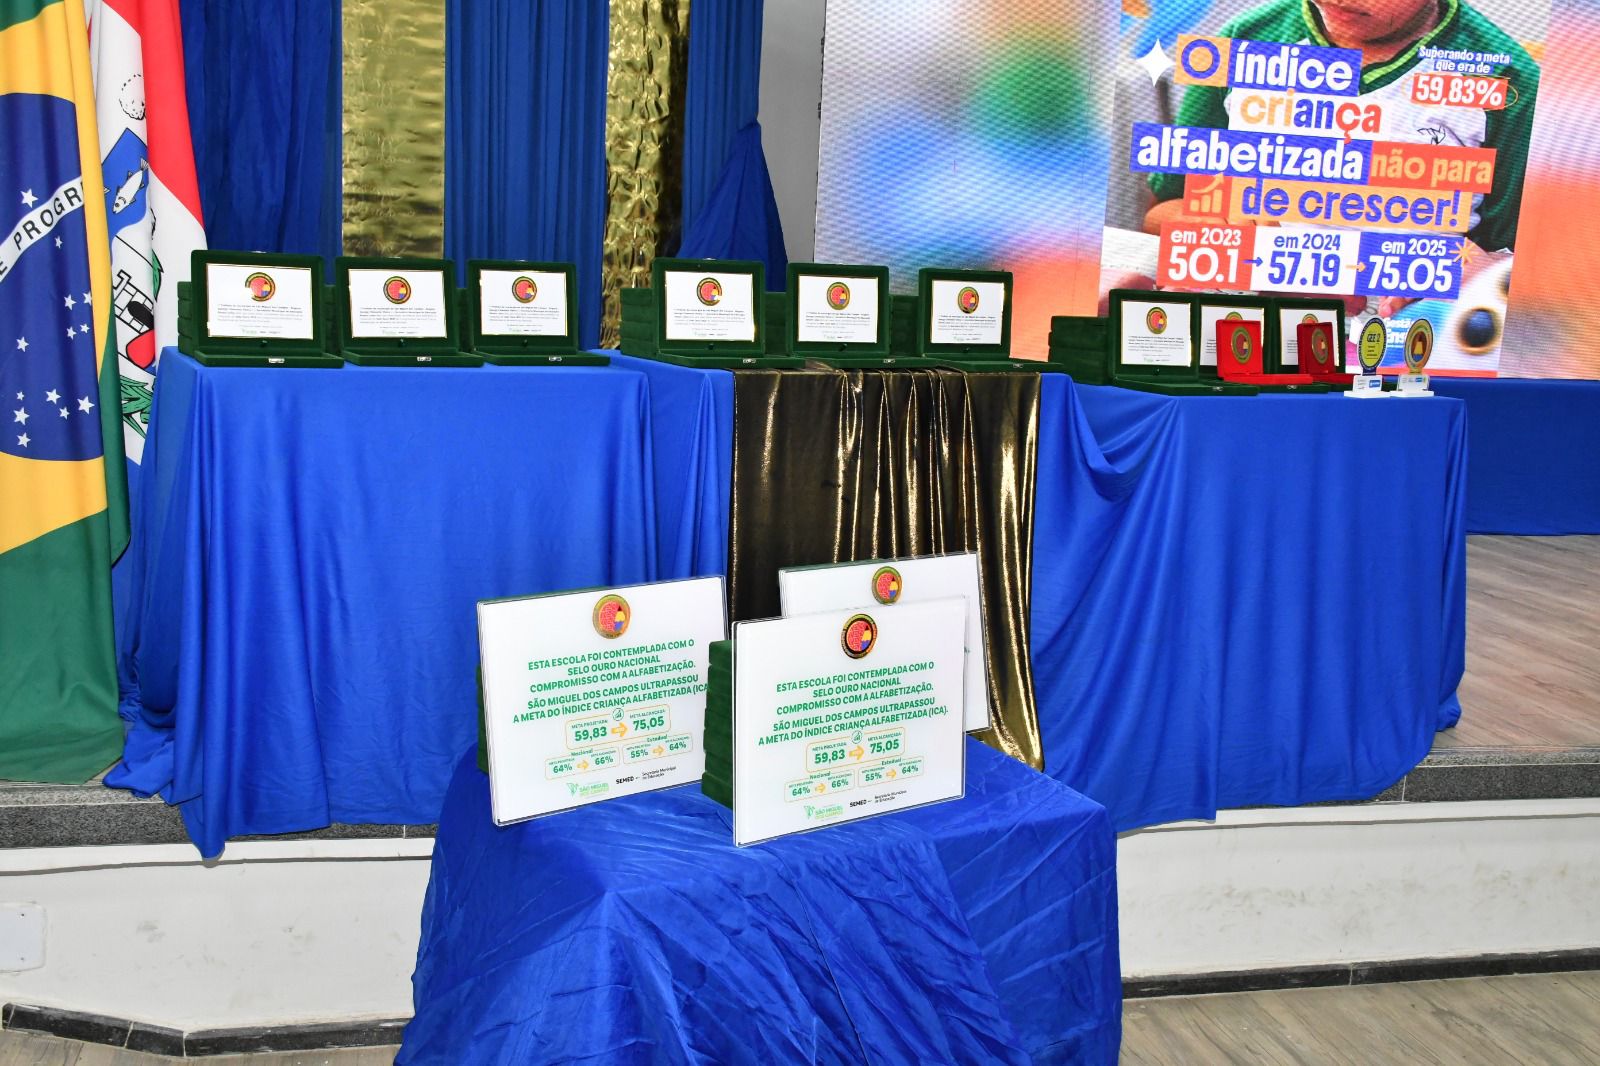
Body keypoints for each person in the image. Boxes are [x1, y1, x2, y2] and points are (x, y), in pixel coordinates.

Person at [1146, 0, 1541, 273]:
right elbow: (1160, 213)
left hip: (1407, 343)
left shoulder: (1510, 82)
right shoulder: (1242, 41)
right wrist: (1216, 227)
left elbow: (1516, 274)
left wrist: (1461, 270)